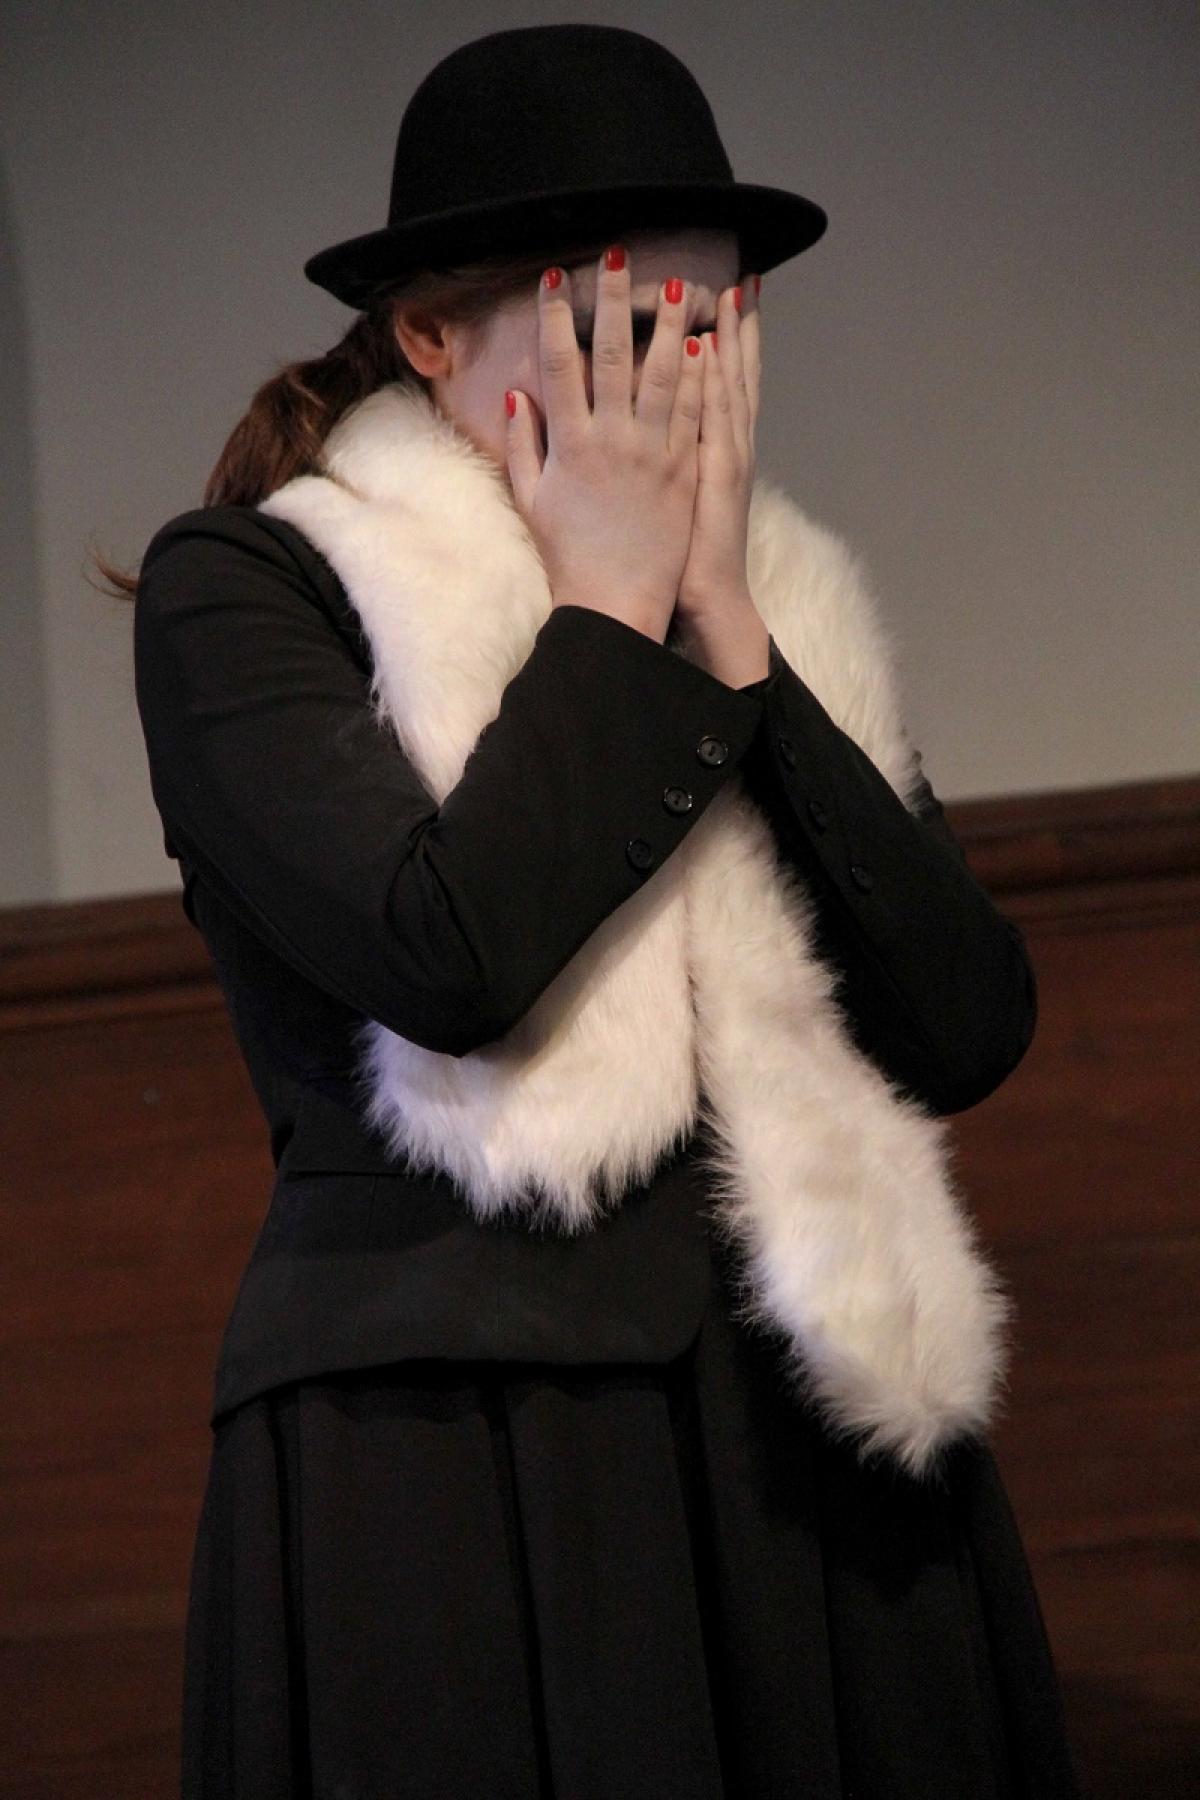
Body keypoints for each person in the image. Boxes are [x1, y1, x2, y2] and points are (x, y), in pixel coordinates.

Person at [103, 24, 1082, 1799]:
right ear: (431, 335)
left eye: (708, 330)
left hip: (816, 1433)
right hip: (459, 1441)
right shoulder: (255, 588)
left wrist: (734, 636)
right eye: (615, 325)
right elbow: (449, 956)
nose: (669, 387)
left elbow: (965, 1027)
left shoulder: (779, 605)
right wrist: (612, 610)